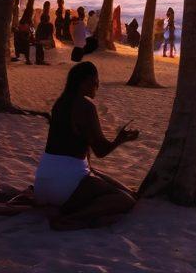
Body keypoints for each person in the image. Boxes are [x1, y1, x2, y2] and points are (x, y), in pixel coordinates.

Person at [34, 62, 139, 229]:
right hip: (64, 186)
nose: (97, 86)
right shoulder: (85, 106)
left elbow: (85, 162)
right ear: (85, 82)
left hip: (42, 184)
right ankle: (73, 218)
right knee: (125, 200)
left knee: (121, 189)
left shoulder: (60, 104)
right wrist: (121, 139)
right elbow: (101, 150)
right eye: (96, 82)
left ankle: (66, 208)